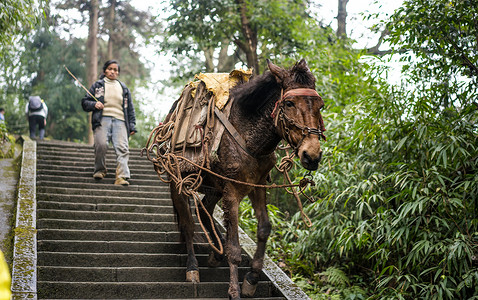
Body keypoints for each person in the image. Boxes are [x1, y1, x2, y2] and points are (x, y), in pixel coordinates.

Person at [81, 59, 137, 186]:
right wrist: (95, 104)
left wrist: (132, 125)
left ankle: (121, 177)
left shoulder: (123, 88)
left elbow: (130, 109)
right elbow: (85, 102)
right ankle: (100, 169)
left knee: (123, 148)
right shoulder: (97, 85)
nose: (113, 72)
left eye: (115, 70)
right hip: (102, 119)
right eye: (110, 69)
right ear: (105, 71)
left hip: (121, 121)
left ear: (118, 73)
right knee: (101, 145)